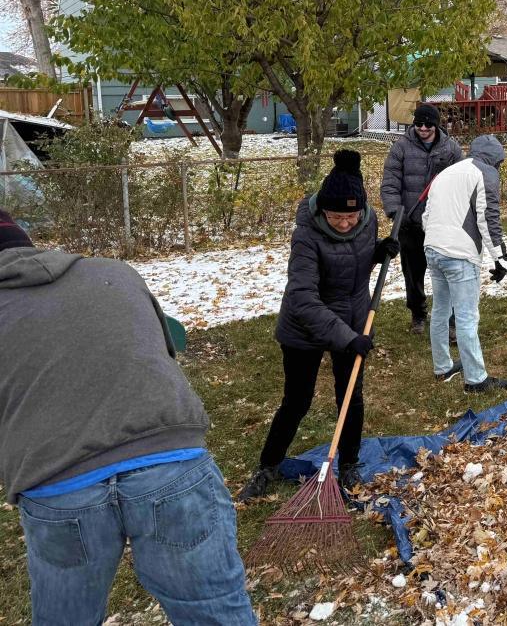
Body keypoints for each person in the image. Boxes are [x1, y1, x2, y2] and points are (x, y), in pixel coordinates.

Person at [0, 209, 257, 625]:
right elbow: (166, 347)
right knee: (213, 613)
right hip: (172, 463)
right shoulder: (116, 273)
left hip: (58, 483)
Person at [239, 150, 397, 501]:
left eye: (351, 216)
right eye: (337, 217)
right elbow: (303, 299)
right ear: (322, 210)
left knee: (350, 398)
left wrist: (378, 251)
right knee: (297, 400)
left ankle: (351, 463)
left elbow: (351, 267)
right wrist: (347, 338)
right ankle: (268, 466)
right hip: (306, 326)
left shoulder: (367, 221)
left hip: (353, 317)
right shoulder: (306, 236)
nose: (345, 224)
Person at [423, 135, 507, 393]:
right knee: (466, 316)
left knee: (440, 310)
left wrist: (434, 242)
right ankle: (475, 380)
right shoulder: (485, 173)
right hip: (459, 254)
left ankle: (442, 366)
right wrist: (501, 257)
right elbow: (488, 217)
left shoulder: (447, 172)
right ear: (494, 158)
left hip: (433, 247)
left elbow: (427, 215)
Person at [380, 103, 464, 335]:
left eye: (428, 124)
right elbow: (390, 181)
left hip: (441, 223)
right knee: (413, 273)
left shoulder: (451, 148)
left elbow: (463, 181)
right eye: (419, 124)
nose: (423, 128)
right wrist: (396, 211)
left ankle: (450, 320)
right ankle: (418, 313)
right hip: (411, 222)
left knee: (448, 273)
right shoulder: (401, 147)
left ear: (436, 125)